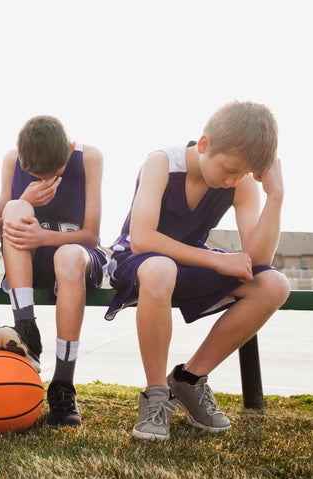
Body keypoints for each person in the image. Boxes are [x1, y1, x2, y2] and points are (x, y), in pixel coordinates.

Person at [105, 100, 289, 441]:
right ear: (203, 145)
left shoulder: (240, 182)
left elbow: (257, 259)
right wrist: (219, 259)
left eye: (242, 174)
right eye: (229, 169)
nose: (233, 180)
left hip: (189, 262)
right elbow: (143, 239)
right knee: (160, 268)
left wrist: (275, 195)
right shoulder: (161, 162)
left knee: (273, 284)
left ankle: (189, 379)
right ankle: (156, 395)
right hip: (136, 259)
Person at [0, 115, 108, 427]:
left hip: (76, 259)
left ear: (68, 151)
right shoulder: (11, 160)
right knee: (14, 210)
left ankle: (63, 385)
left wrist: (47, 237)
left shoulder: (89, 158)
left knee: (68, 256)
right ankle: (26, 328)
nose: (43, 179)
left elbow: (92, 235)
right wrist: (24, 199)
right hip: (31, 263)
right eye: (33, 175)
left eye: (53, 174)